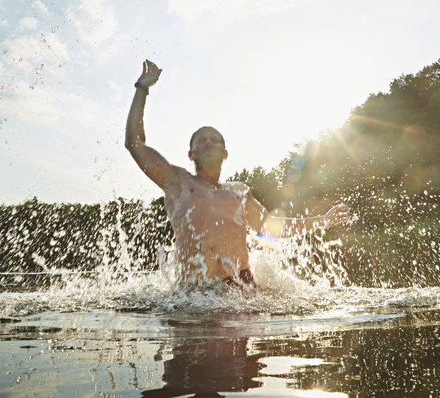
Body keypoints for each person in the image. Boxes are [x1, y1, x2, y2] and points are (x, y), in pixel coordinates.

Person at [125, 59, 349, 286]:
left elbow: (271, 227)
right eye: (202, 141)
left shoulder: (239, 191)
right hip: (193, 296)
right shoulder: (177, 181)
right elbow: (134, 143)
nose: (209, 143)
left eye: (215, 140)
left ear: (225, 154)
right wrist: (142, 88)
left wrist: (323, 220)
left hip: (241, 293)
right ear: (191, 154)